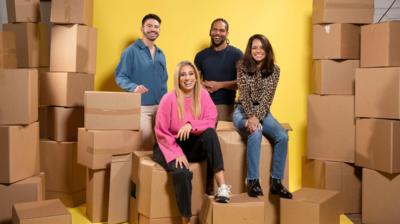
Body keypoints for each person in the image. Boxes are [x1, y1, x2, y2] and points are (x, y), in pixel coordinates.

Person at [153, 61, 231, 224]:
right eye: (183, 74)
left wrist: (191, 125)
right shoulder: (169, 99)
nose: (187, 78)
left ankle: (222, 187)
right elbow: (161, 131)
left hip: (192, 144)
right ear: (178, 78)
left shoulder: (203, 95)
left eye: (191, 73)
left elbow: (211, 120)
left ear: (196, 76)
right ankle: (185, 218)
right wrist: (177, 153)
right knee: (181, 173)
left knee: (210, 133)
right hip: (168, 145)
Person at [232, 34, 292, 199]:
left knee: (282, 136)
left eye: (261, 47)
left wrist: (256, 117)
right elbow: (243, 95)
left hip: (263, 112)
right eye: (254, 47)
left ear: (267, 50)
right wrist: (251, 117)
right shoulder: (242, 67)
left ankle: (276, 182)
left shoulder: (275, 70)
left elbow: (267, 98)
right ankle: (252, 181)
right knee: (256, 132)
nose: (258, 51)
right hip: (242, 111)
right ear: (250, 50)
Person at [115, 13, 167, 150]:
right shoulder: (131, 51)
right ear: (142, 28)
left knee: (163, 144)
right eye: (149, 26)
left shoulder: (161, 54)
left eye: (156, 27)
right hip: (141, 108)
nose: (153, 29)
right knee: (146, 145)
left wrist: (166, 103)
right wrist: (134, 87)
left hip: (160, 108)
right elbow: (120, 76)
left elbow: (164, 81)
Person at [194, 18, 243, 121]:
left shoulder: (237, 54)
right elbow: (194, 81)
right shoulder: (200, 56)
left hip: (226, 107)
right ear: (210, 32)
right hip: (203, 105)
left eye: (221, 30)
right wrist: (201, 85)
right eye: (214, 29)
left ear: (227, 33)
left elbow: (242, 83)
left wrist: (219, 85)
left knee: (223, 136)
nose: (217, 33)